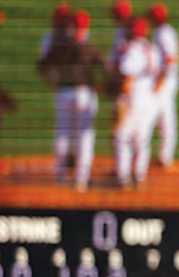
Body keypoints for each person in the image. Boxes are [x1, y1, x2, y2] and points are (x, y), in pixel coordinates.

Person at [38, 9, 105, 191]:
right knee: (84, 137)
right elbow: (103, 70)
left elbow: (42, 65)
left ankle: (60, 175)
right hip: (84, 95)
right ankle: (81, 180)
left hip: (64, 93)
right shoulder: (89, 47)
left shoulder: (60, 45)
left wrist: (53, 81)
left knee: (63, 134)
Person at [112, 16, 160, 189]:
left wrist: (121, 101)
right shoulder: (152, 49)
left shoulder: (131, 50)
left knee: (122, 137)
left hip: (133, 96)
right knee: (142, 139)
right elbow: (159, 75)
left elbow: (127, 79)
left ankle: (123, 177)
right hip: (150, 98)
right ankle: (139, 176)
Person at [148, 3, 179, 169]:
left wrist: (160, 80)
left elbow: (170, 58)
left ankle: (165, 157)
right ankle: (163, 155)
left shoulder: (163, 33)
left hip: (165, 81)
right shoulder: (164, 31)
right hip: (166, 80)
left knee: (163, 118)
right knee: (162, 118)